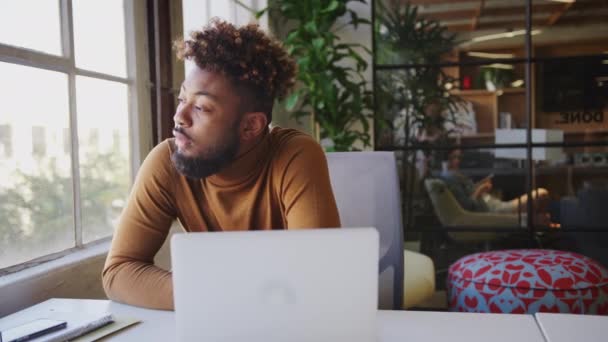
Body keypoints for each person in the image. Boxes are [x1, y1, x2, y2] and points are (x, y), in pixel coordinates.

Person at [102, 19, 341, 310]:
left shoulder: (295, 155)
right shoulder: (166, 162)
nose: (179, 117)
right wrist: (215, 294)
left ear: (251, 126)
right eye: (182, 99)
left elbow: (317, 278)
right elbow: (118, 272)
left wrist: (204, 290)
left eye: (201, 107)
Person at [440, 148, 551, 223]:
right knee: (542, 193)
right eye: (455, 157)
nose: (459, 161)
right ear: (447, 160)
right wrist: (481, 189)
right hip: (493, 210)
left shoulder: (455, 175)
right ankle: (538, 232)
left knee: (541, 216)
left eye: (459, 157)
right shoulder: (450, 179)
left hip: (494, 204)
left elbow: (470, 192)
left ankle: (538, 230)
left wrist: (480, 185)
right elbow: (468, 206)